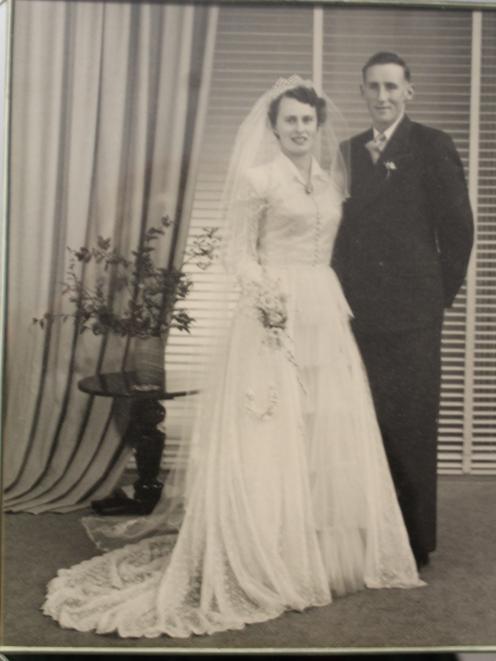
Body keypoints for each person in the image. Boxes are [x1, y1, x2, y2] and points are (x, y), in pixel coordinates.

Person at [42, 76, 423, 639]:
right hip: (272, 313)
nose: (298, 129)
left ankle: (320, 549)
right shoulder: (257, 178)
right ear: (273, 126)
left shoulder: (327, 180)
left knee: (325, 427)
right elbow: (236, 252)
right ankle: (269, 552)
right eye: (289, 120)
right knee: (272, 431)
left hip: (322, 309)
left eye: (307, 121)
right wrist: (266, 296)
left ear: (318, 128)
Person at [332, 52, 474, 569]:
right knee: (363, 422)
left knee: (411, 423)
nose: (383, 96)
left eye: (392, 87)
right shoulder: (346, 152)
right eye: (373, 87)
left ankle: (413, 543)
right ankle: (371, 532)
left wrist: (435, 299)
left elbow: (459, 230)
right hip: (359, 312)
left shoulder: (433, 146)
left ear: (409, 92)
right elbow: (339, 236)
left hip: (414, 313)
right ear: (363, 92)